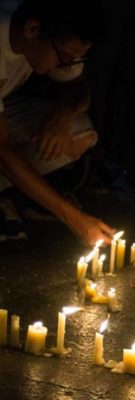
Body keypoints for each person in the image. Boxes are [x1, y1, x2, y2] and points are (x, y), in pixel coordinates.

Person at [0, 0, 114, 245]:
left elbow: (78, 86)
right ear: (32, 29)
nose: (63, 67)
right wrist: (73, 218)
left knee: (79, 131)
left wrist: (65, 112)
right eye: (63, 58)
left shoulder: (42, 35)